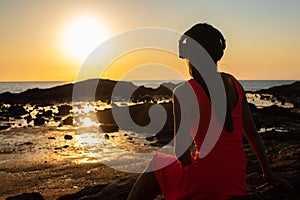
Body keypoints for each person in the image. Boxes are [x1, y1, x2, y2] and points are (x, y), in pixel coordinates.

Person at [127, 23, 293, 200]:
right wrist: (267, 173)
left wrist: (191, 162)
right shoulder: (235, 84)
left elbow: (181, 154)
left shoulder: (184, 92)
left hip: (207, 183)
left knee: (156, 165)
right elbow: (252, 133)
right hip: (235, 179)